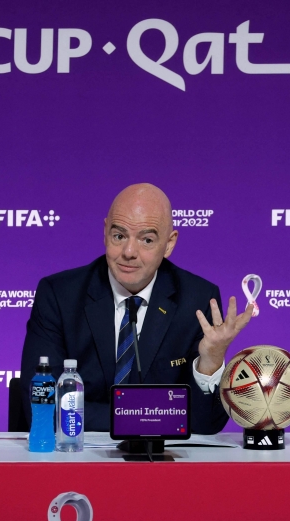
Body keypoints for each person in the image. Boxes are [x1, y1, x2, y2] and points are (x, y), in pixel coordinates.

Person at [20, 183, 253, 434]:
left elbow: (204, 425)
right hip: (79, 453)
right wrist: (148, 418)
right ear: (105, 232)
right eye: (119, 236)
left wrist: (211, 362)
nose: (129, 252)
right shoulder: (60, 295)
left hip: (162, 458)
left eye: (147, 240)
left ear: (169, 244)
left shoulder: (197, 300)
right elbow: (42, 406)